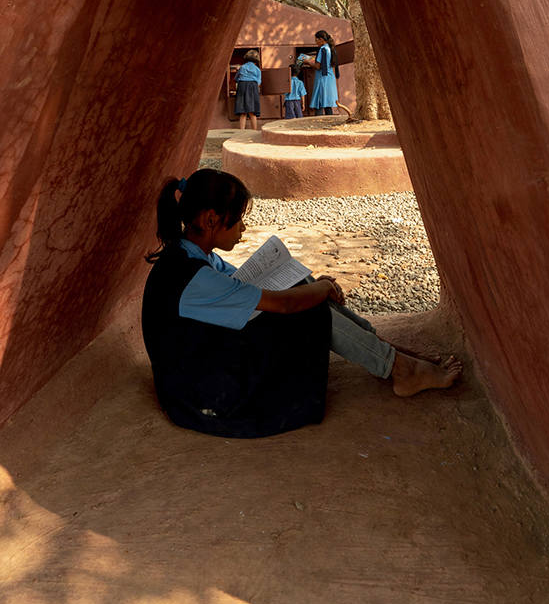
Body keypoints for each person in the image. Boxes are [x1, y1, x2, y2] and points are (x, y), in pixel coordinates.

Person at [141, 169, 462, 439]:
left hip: (208, 358)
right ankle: (397, 367)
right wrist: (319, 291)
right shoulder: (193, 278)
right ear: (211, 219)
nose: (243, 229)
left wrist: (312, 286)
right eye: (238, 220)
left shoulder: (194, 255)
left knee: (303, 288)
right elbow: (283, 307)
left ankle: (385, 352)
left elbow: (246, 286)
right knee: (309, 311)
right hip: (201, 391)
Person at [305, 30, 339, 116]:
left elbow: (318, 66)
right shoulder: (331, 49)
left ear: (321, 39)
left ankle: (318, 124)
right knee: (328, 105)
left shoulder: (323, 49)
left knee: (319, 103)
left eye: (316, 40)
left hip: (322, 78)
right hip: (330, 78)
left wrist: (308, 62)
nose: (316, 43)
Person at [234, 49, 261, 130]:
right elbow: (259, 82)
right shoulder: (257, 69)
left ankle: (242, 131)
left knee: (243, 111)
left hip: (242, 87)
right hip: (253, 87)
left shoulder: (242, 67)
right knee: (253, 112)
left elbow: (236, 79)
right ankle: (254, 130)